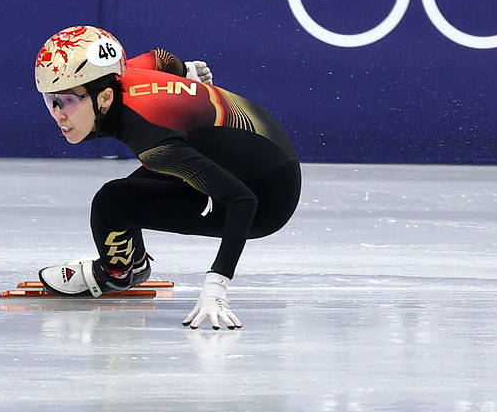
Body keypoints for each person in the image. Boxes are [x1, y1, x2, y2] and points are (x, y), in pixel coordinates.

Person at [34, 25, 301, 330]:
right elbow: (161, 58)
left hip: (268, 199)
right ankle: (131, 261)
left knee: (111, 203)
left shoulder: (152, 138)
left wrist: (216, 285)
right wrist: (185, 72)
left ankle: (118, 273)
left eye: (66, 101)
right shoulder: (122, 72)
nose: (58, 114)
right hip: (254, 154)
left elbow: (243, 200)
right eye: (50, 100)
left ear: (105, 98)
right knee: (127, 195)